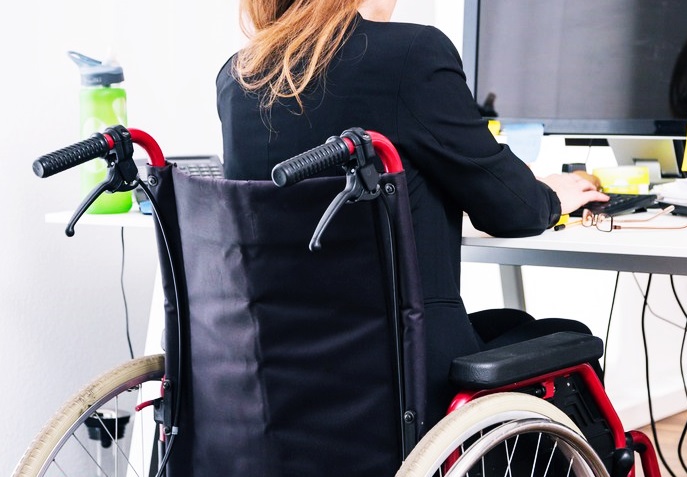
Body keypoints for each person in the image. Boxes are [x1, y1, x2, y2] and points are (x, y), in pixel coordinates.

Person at [216, 0, 609, 427]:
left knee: (512, 324)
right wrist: (552, 194)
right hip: (404, 372)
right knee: (568, 337)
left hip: (290, 377)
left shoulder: (240, 77)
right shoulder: (411, 54)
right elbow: (512, 209)